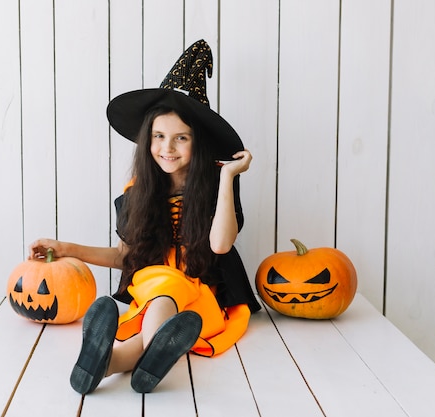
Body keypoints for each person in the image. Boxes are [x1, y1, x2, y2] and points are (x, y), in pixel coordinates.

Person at [28, 40, 261, 395]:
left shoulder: (217, 187)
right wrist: (66, 248)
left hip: (201, 296)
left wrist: (229, 176)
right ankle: (157, 351)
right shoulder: (138, 191)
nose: (167, 148)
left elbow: (220, 243)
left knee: (179, 307)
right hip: (156, 289)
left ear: (198, 143)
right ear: (146, 139)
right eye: (158, 136)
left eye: (180, 138)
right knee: (166, 289)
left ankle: (110, 362)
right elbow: (124, 256)